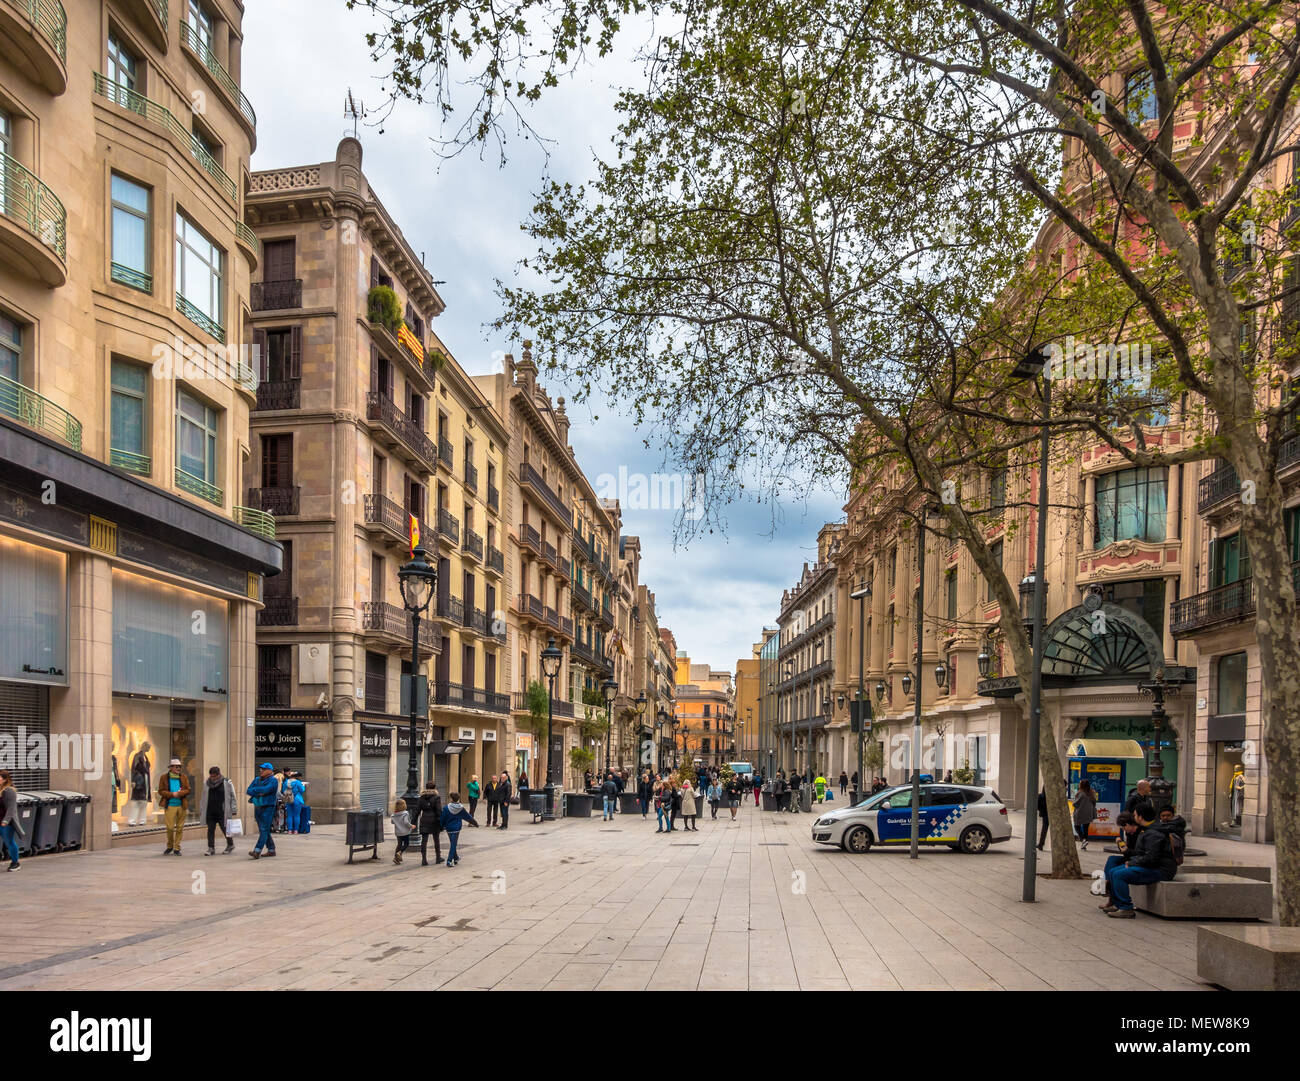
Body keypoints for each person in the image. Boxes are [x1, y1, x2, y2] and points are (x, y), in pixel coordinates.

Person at [1103, 801, 1183, 918]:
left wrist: (1132, 862)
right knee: (1113, 871)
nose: (1134, 817)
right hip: (1152, 866)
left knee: (1118, 875)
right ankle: (1118, 903)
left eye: (1135, 815)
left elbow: (1152, 858)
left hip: (1161, 870)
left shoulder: (1153, 833)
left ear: (1140, 817)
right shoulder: (1148, 830)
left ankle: (1126, 907)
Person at [1097, 812, 1138, 909]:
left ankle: (1109, 891)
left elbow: (1137, 852)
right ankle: (1107, 884)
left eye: (1124, 827)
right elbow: (1126, 851)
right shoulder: (1129, 833)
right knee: (1112, 859)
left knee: (1115, 872)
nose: (1124, 830)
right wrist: (1120, 844)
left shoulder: (1140, 833)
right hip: (1130, 856)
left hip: (1135, 859)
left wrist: (1126, 850)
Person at [198, 766, 237, 855]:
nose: (213, 778)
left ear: (219, 774)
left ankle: (230, 845)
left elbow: (232, 796)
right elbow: (203, 797)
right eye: (211, 776)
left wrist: (234, 808)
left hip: (222, 811)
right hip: (210, 811)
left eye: (214, 776)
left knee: (225, 829)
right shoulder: (206, 783)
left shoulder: (227, 782)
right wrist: (201, 809)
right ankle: (211, 848)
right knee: (210, 829)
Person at [157, 756, 191, 855]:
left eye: (179, 767)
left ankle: (177, 848)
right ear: (171, 767)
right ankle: (170, 846)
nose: (178, 769)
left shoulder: (183, 777)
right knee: (170, 828)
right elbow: (161, 791)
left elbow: (188, 789)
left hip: (181, 805)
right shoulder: (164, 777)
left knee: (180, 828)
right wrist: (172, 794)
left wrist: (179, 794)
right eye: (176, 767)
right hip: (170, 805)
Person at [246, 762, 279, 859]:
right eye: (261, 769)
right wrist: (259, 791)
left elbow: (267, 789)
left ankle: (257, 850)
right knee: (263, 829)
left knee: (264, 829)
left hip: (268, 807)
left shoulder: (273, 780)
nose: (261, 770)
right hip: (258, 806)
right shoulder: (257, 779)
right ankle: (271, 849)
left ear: (270, 771)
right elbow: (248, 790)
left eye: (263, 769)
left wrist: (256, 790)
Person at [439, 791, 479, 865]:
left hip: (448, 828)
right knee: (453, 844)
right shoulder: (461, 808)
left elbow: (442, 818)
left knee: (453, 843)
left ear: (451, 799)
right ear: (458, 799)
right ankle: (449, 860)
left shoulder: (446, 808)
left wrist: (441, 826)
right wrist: (475, 823)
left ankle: (456, 857)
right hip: (456, 828)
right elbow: (468, 817)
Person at [415, 782, 444, 865]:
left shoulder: (421, 798)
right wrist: (441, 821)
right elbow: (439, 811)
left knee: (424, 841)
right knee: (436, 840)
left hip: (424, 820)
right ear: (434, 788)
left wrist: (412, 822)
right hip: (434, 820)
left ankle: (424, 859)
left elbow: (417, 811)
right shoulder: (436, 797)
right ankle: (438, 858)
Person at [0, 770, 24, 871]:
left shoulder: (9, 791)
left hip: (6, 822)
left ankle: (15, 863)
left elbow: (11, 808)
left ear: (5, 779)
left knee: (9, 842)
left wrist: (6, 820)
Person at [125, 742, 152, 826]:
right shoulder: (137, 756)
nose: (149, 749)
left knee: (144, 801)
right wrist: (133, 781)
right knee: (136, 802)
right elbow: (133, 769)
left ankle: (142, 820)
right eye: (148, 747)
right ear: (145, 747)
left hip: (145, 779)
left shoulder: (145, 757)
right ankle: (132, 821)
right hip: (139, 780)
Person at [1073, 779, 1097, 851]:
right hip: (1089, 813)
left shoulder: (1081, 794)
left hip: (1080, 813)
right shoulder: (1091, 793)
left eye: (1080, 783)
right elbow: (1094, 803)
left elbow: (1075, 804)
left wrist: (1073, 801)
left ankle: (1083, 840)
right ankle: (1084, 845)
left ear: (1082, 785)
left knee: (1077, 826)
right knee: (1085, 828)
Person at [391, 799, 414, 864]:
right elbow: (406, 822)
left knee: (399, 844)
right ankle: (399, 853)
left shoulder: (394, 814)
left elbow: (392, 822)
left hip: (398, 832)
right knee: (406, 844)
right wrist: (411, 826)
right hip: (405, 832)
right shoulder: (405, 813)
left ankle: (396, 858)